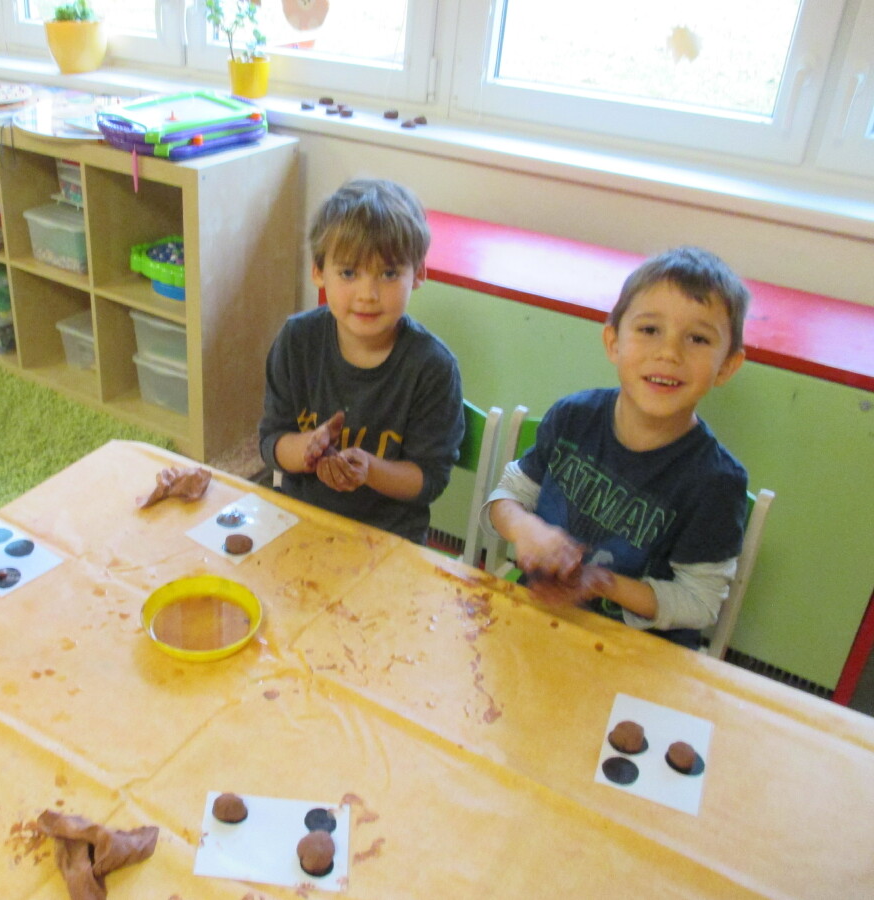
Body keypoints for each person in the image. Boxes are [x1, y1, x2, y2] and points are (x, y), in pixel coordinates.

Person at [485, 246, 750, 649]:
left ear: (727, 365)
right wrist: (524, 527)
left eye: (697, 338)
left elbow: (698, 604)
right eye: (649, 330)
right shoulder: (573, 417)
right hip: (539, 619)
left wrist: (601, 582)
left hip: (639, 652)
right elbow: (506, 497)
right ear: (613, 342)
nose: (669, 353)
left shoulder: (716, 482)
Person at [258, 178, 465, 544]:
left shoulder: (433, 368)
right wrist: (305, 449)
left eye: (389, 273)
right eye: (349, 273)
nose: (368, 294)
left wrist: (369, 469)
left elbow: (429, 479)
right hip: (301, 522)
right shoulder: (297, 341)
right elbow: (271, 441)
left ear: (418, 274)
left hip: (389, 538)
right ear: (319, 271)